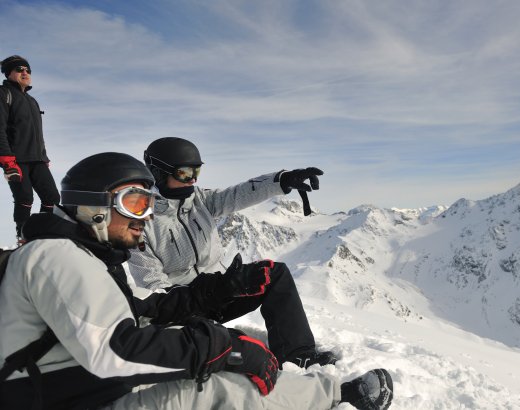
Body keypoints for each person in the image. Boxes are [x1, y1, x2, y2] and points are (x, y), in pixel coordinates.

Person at [0, 152, 393, 410]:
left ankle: (319, 380)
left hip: (84, 387)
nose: (145, 216)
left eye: (148, 204)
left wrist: (281, 181)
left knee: (264, 290)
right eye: (135, 203)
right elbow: (115, 350)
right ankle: (334, 397)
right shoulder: (56, 255)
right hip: (72, 397)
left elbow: (137, 314)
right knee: (218, 385)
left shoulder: (86, 257)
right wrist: (221, 345)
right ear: (93, 204)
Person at [128, 137, 335, 369]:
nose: (193, 179)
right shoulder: (139, 223)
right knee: (234, 350)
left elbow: (240, 193)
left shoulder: (200, 200)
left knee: (274, 274)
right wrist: (204, 294)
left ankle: (298, 355)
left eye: (197, 171)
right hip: (186, 309)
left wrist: (282, 181)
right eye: (185, 173)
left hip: (224, 291)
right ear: (158, 173)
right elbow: (153, 289)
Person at [0, 55, 60, 242]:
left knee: (52, 197)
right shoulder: (4, 94)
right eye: (19, 69)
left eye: (27, 70)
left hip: (37, 159)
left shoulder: (32, 101)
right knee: (25, 198)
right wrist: (7, 160)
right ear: (9, 73)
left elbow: (36, 133)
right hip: (15, 159)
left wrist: (44, 155)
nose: (25, 72)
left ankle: (43, 233)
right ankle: (24, 237)